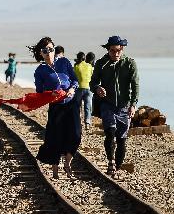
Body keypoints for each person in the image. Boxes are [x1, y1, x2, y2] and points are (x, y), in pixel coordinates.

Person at [89, 35, 139, 177]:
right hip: (107, 104)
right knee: (110, 133)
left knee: (122, 139)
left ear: (122, 50)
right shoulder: (101, 63)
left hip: (124, 106)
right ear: (108, 50)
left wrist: (133, 104)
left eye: (118, 50)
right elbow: (92, 83)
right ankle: (110, 161)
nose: (116, 54)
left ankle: (116, 166)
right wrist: (98, 88)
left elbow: (135, 85)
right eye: (112, 51)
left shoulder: (130, 64)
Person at [31, 36, 79, 178]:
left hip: (71, 103)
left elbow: (75, 80)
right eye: (45, 51)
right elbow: (39, 92)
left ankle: (67, 163)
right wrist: (50, 93)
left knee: (76, 134)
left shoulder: (64, 62)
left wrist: (72, 89)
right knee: (55, 137)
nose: (48, 52)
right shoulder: (40, 71)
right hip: (56, 106)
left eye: (51, 49)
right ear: (41, 53)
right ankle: (55, 171)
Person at [73, 52, 94, 130]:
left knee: (78, 106)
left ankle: (78, 122)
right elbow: (93, 76)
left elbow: (73, 77)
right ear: (84, 58)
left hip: (79, 88)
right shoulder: (90, 66)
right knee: (87, 107)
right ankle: (87, 123)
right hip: (89, 89)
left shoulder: (76, 66)